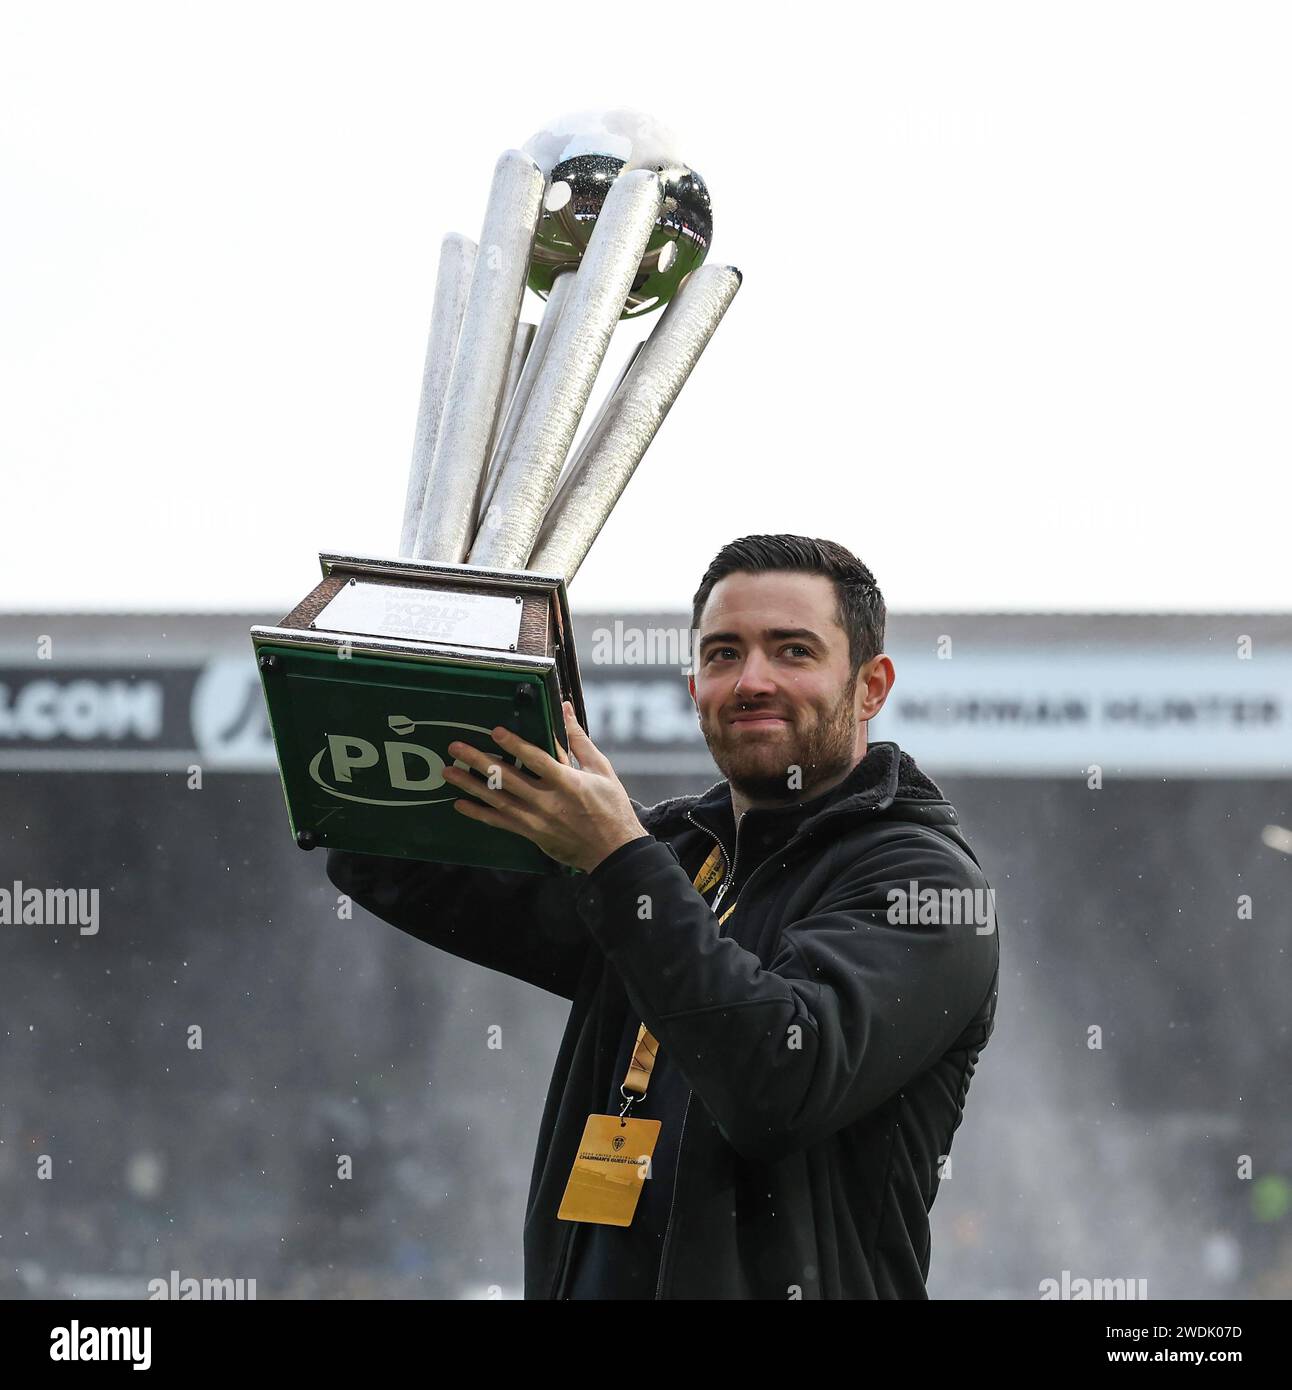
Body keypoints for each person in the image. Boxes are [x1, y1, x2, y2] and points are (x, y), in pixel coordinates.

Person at [325, 534, 999, 1299]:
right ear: (694, 685)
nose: (751, 680)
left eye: (793, 651)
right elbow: (401, 865)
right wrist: (398, 679)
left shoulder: (926, 883)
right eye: (721, 654)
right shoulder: (670, 857)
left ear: (871, 686)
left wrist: (616, 855)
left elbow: (776, 1080)